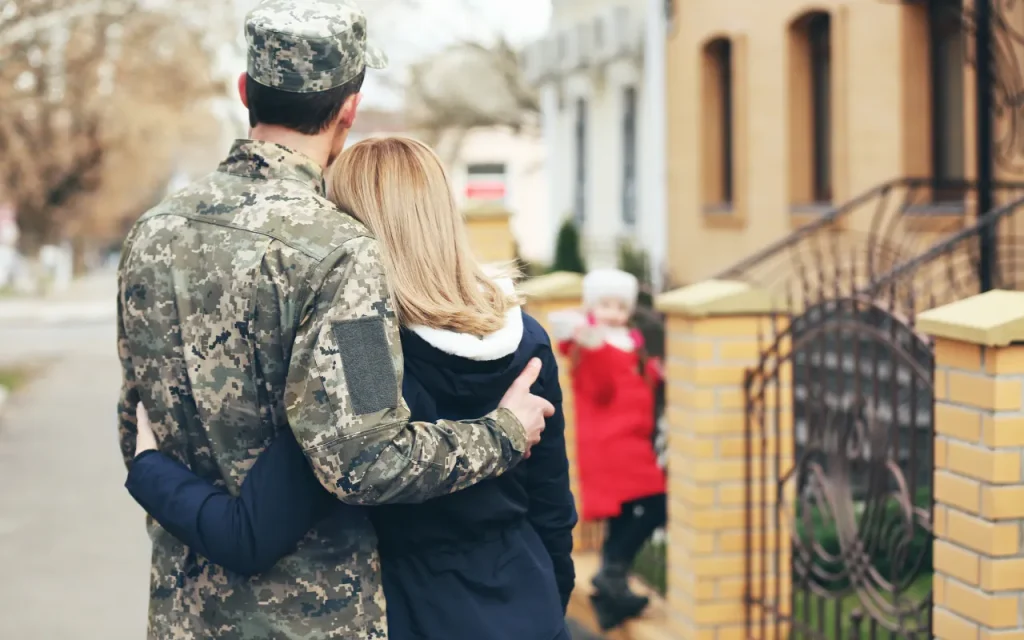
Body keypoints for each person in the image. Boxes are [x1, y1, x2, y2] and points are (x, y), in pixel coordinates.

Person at [115, 2, 553, 637]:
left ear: (245, 92)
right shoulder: (340, 253)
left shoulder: (150, 234)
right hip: (313, 618)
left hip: (186, 613)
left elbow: (138, 429)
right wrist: (502, 433)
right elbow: (368, 457)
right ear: (349, 108)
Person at [552, 268, 667, 631]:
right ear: (592, 305)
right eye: (605, 304)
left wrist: (655, 372)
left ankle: (608, 599)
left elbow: (635, 375)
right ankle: (612, 575)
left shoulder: (629, 340)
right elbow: (601, 388)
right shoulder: (590, 344)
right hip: (611, 443)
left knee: (630, 511)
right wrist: (595, 347)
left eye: (620, 305)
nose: (613, 312)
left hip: (633, 439)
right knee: (654, 504)